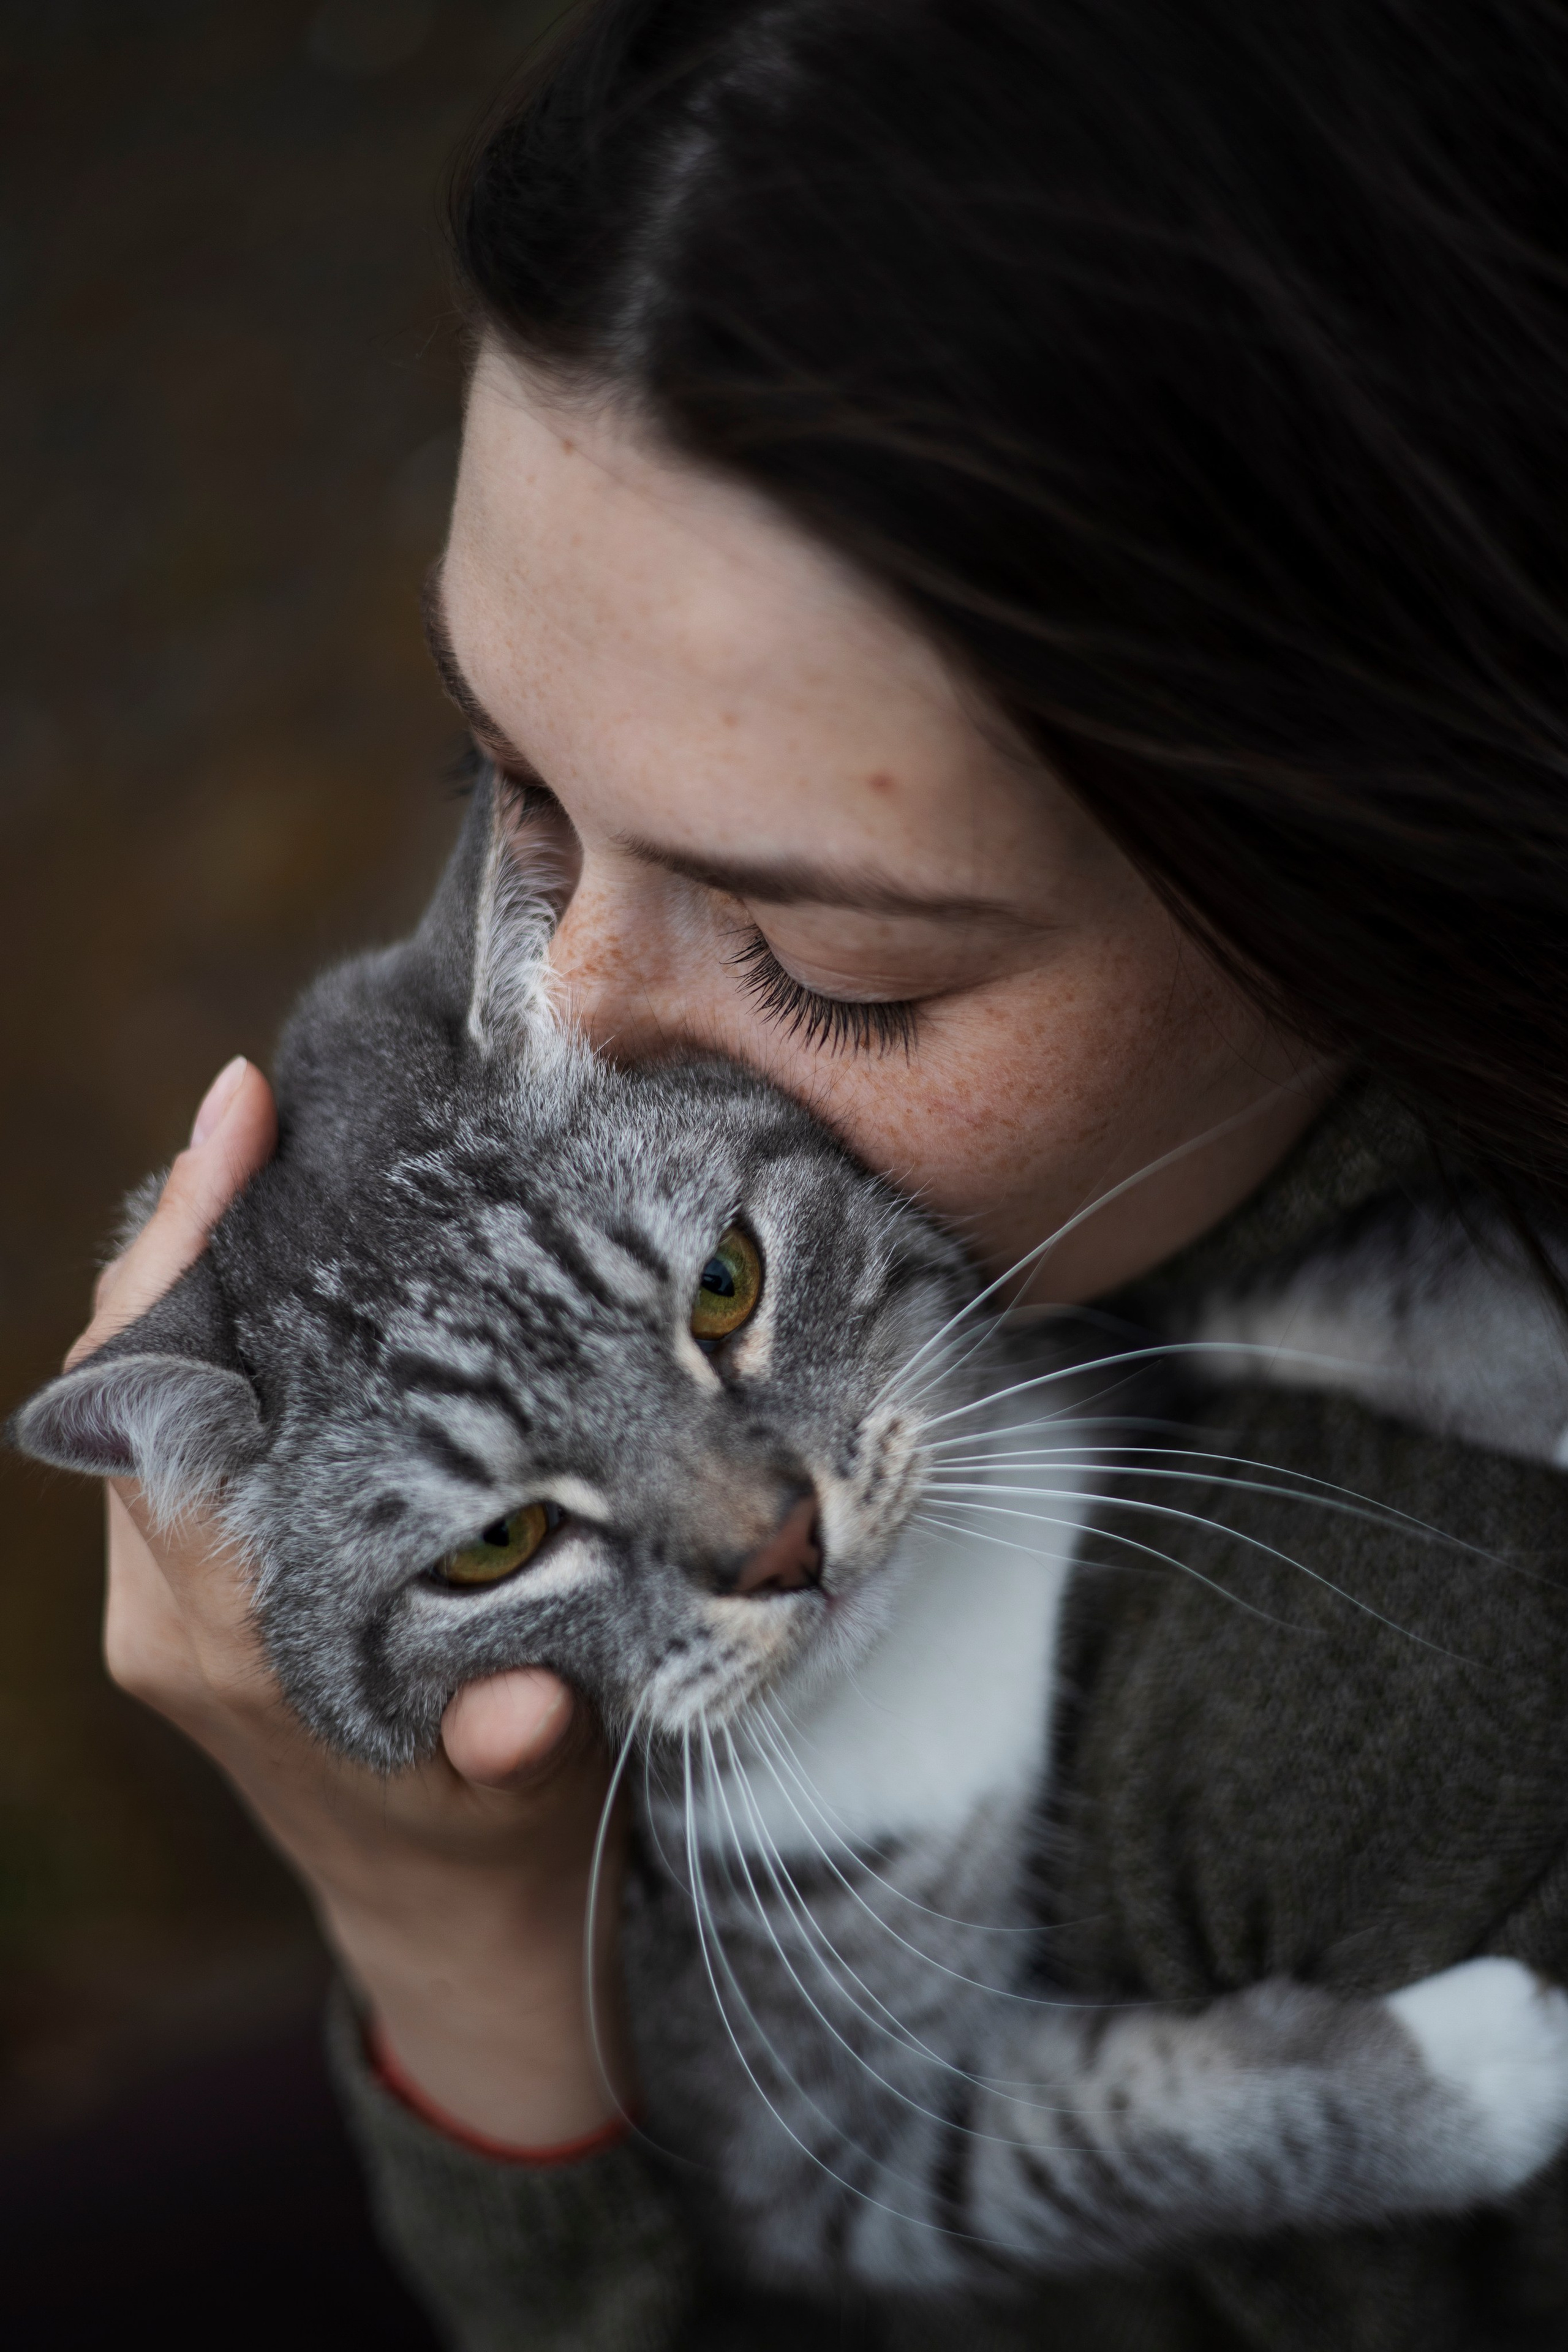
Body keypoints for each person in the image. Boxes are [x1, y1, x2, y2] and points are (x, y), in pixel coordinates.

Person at [69, 2, 1568, 2345]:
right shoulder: (609, 989)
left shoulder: (1388, 1724)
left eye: (823, 957)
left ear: (1376, 839)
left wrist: (447, 1949)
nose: (562, 1015)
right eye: (511, 786)